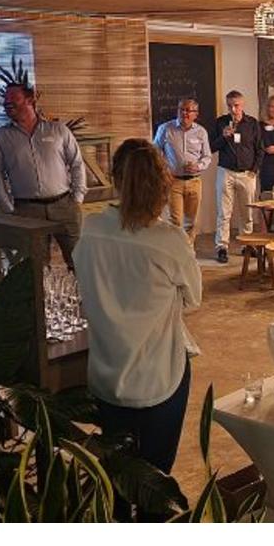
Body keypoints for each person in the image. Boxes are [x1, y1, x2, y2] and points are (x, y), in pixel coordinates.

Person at [73, 138, 200, 475]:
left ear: (115, 179)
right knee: (154, 479)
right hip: (158, 378)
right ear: (163, 184)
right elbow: (194, 298)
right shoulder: (170, 240)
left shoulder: (91, 229)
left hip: (105, 374)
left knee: (117, 473)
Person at [0, 82, 87, 268]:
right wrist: (8, 208)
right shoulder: (0, 138)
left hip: (65, 206)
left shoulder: (58, 130)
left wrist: (77, 197)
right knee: (35, 267)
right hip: (27, 210)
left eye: (13, 98)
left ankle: (83, 289)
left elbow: (77, 163)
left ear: (30, 100)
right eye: (5, 99)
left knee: (80, 262)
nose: (7, 102)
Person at [210, 90, 263, 264]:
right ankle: (222, 247)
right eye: (230, 106)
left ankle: (247, 245)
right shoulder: (220, 122)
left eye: (236, 105)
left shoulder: (252, 123)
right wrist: (223, 137)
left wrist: (254, 170)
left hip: (247, 173)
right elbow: (211, 147)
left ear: (243, 104)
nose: (233, 109)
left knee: (246, 212)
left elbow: (260, 148)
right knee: (224, 212)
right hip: (226, 171)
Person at [153, 99, 212, 245]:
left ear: (195, 114)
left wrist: (198, 166)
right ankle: (176, 249)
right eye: (182, 109)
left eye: (188, 110)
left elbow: (207, 156)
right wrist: (162, 170)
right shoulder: (165, 129)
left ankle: (188, 250)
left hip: (194, 181)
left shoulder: (201, 132)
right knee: (176, 221)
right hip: (173, 181)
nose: (184, 113)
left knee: (192, 221)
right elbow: (155, 152)